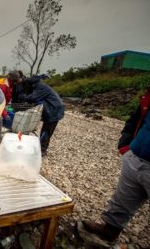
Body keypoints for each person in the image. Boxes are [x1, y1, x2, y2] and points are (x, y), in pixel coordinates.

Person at [78, 87, 150, 247]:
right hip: (135, 156)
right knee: (123, 199)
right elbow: (136, 118)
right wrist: (125, 145)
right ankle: (110, 229)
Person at [19, 75, 64, 154]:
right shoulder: (40, 85)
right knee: (46, 130)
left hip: (54, 110)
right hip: (53, 108)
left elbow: (33, 98)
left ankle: (41, 150)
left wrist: (22, 96)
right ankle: (42, 148)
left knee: (46, 131)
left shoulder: (40, 87)